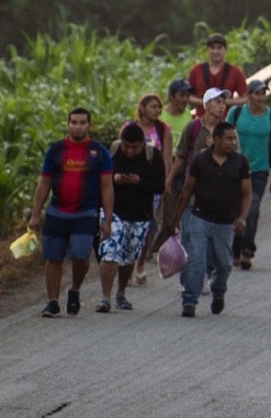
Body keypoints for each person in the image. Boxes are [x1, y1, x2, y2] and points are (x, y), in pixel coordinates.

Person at [28, 108, 114, 318]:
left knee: (80, 255)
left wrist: (107, 220)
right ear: (68, 124)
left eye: (82, 123)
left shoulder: (99, 152)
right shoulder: (56, 150)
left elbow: (106, 187)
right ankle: (52, 302)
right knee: (53, 258)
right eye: (74, 122)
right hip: (57, 211)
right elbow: (44, 182)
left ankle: (74, 289)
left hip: (86, 213)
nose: (77, 126)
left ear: (89, 126)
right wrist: (36, 213)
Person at [171, 121, 251, 317]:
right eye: (229, 138)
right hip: (200, 219)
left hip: (225, 224)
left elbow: (247, 193)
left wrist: (242, 217)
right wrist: (176, 219)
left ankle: (218, 290)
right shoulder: (200, 160)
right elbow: (187, 190)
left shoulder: (240, 162)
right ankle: (189, 301)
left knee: (224, 264)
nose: (233, 142)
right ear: (216, 140)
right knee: (196, 260)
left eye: (234, 138)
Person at [147, 87, 228, 265]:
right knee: (188, 235)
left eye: (223, 102)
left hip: (217, 192)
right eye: (217, 102)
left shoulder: (227, 131)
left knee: (209, 236)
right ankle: (188, 275)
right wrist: (168, 181)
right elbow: (181, 156)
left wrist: (217, 148)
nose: (222, 106)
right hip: (191, 189)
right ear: (206, 105)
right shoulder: (192, 127)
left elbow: (234, 160)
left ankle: (204, 273)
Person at [96, 123, 165, 312]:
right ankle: (105, 298)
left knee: (129, 257)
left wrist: (139, 182)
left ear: (142, 144)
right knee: (109, 251)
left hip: (140, 215)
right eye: (126, 146)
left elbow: (160, 186)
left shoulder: (153, 156)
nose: (129, 151)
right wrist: (115, 179)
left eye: (134, 147)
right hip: (113, 212)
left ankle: (120, 292)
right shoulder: (111, 151)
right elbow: (99, 179)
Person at [225, 80, 271, 270]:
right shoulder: (236, 113)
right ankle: (236, 248)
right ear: (248, 95)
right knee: (234, 208)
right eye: (256, 93)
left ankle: (247, 249)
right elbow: (225, 137)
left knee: (253, 207)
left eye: (262, 94)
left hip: (259, 170)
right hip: (236, 167)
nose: (260, 97)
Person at [123, 93, 172, 284]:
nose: (157, 110)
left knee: (148, 227)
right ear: (142, 108)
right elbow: (122, 153)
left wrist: (165, 182)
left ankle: (140, 263)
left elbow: (167, 158)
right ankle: (126, 262)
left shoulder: (162, 129)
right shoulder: (129, 128)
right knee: (128, 224)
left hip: (151, 185)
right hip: (130, 185)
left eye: (159, 107)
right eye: (153, 106)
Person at [188, 33, 248, 113]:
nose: (215, 51)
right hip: (202, 120)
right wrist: (206, 102)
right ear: (207, 49)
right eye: (212, 48)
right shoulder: (196, 70)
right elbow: (187, 96)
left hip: (226, 121)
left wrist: (225, 102)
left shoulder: (235, 72)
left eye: (219, 48)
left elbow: (246, 97)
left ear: (226, 49)